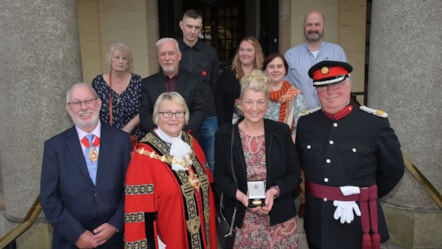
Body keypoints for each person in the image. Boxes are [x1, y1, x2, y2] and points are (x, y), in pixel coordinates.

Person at [295, 60, 405, 249]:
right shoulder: (306, 123)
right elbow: (299, 165)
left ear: (348, 84)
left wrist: (364, 195)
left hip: (358, 220)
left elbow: (393, 170)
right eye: (322, 87)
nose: (330, 92)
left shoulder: (374, 124)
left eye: (336, 84)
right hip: (318, 221)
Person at [215, 69, 300, 248]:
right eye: (249, 102)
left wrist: (274, 192)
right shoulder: (225, 135)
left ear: (267, 103)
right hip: (243, 221)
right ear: (239, 103)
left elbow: (294, 175)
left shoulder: (281, 132)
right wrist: (241, 197)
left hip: (280, 221)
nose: (255, 108)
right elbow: (221, 176)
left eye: (260, 102)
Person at [40, 83, 132, 249]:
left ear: (98, 103)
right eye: (76, 103)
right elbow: (49, 199)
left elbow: (131, 189)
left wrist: (115, 224)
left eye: (88, 101)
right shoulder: (54, 147)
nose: (83, 107)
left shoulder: (121, 141)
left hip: (112, 240)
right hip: (70, 241)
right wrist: (76, 234)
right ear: (69, 109)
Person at [124, 91, 217, 249]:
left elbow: (209, 187)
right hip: (170, 240)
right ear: (156, 116)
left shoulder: (192, 143)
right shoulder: (143, 157)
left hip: (202, 237)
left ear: (185, 116)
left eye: (179, 113)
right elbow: (139, 215)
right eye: (167, 113)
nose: (173, 118)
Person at [139, 37, 207, 138]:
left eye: (171, 53)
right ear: (158, 58)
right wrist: (162, 134)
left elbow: (199, 111)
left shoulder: (195, 81)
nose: (167, 58)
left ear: (179, 56)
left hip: (188, 140)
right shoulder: (147, 84)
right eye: (162, 54)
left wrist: (181, 133)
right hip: (157, 142)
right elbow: (145, 115)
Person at [178, 9, 219, 173]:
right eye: (189, 26)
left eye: (197, 27)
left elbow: (214, 84)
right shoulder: (173, 51)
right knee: (182, 161)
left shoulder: (210, 52)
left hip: (208, 115)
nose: (193, 31)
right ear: (181, 25)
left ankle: (212, 197)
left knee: (212, 161)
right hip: (180, 116)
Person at [285, 11, 347, 110]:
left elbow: (345, 84)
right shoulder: (290, 55)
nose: (313, 29)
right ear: (304, 27)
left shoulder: (337, 52)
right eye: (309, 25)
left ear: (324, 26)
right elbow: (284, 88)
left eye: (317, 24)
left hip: (330, 114)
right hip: (301, 116)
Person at [92, 42, 144, 139]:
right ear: (110, 59)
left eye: (124, 58)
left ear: (128, 62)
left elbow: (145, 109)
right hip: (107, 138)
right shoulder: (98, 82)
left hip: (133, 137)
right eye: (117, 57)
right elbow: (93, 110)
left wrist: (129, 127)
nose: (121, 61)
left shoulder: (137, 81)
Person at [215, 36, 265, 127]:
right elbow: (220, 104)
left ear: (256, 53)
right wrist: (223, 128)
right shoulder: (228, 75)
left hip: (258, 125)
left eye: (249, 50)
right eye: (242, 50)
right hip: (232, 126)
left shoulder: (263, 76)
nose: (244, 53)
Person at [263, 53, 307, 143]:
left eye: (279, 66)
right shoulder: (257, 93)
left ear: (285, 70)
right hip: (260, 145)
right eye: (271, 66)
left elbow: (300, 126)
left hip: (287, 144)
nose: (275, 70)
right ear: (265, 70)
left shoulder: (296, 96)